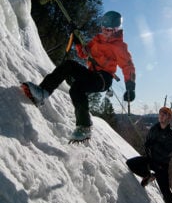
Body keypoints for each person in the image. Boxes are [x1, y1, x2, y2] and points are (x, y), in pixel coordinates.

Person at [22, 11, 136, 142]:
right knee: (69, 66)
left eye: (109, 30)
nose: (105, 32)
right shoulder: (97, 40)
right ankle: (43, 92)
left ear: (116, 30)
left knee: (78, 88)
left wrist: (130, 87)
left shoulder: (120, 46)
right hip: (91, 73)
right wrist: (76, 40)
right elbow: (83, 53)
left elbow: (128, 66)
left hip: (103, 78)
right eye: (104, 29)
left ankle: (84, 127)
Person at [126, 106, 172, 203]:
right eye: (160, 113)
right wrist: (148, 146)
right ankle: (148, 176)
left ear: (169, 117)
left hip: (161, 166)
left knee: (165, 192)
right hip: (150, 160)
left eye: (164, 114)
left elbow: (166, 153)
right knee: (130, 163)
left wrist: (153, 146)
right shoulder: (154, 128)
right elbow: (147, 142)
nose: (161, 115)